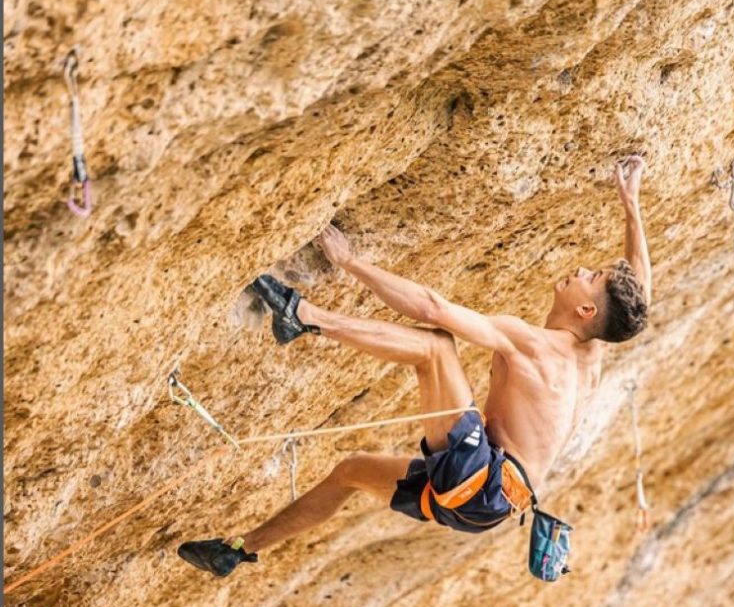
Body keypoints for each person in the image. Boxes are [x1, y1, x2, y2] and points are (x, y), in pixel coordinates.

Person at [178, 157, 652, 576]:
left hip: (483, 480)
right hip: (486, 507)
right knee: (351, 472)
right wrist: (630, 205)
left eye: (593, 278)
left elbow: (431, 308)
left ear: (587, 311)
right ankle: (236, 552)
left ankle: (302, 316)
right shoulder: (591, 354)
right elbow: (637, 304)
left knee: (436, 349)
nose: (584, 270)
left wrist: (350, 262)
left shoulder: (533, 345)